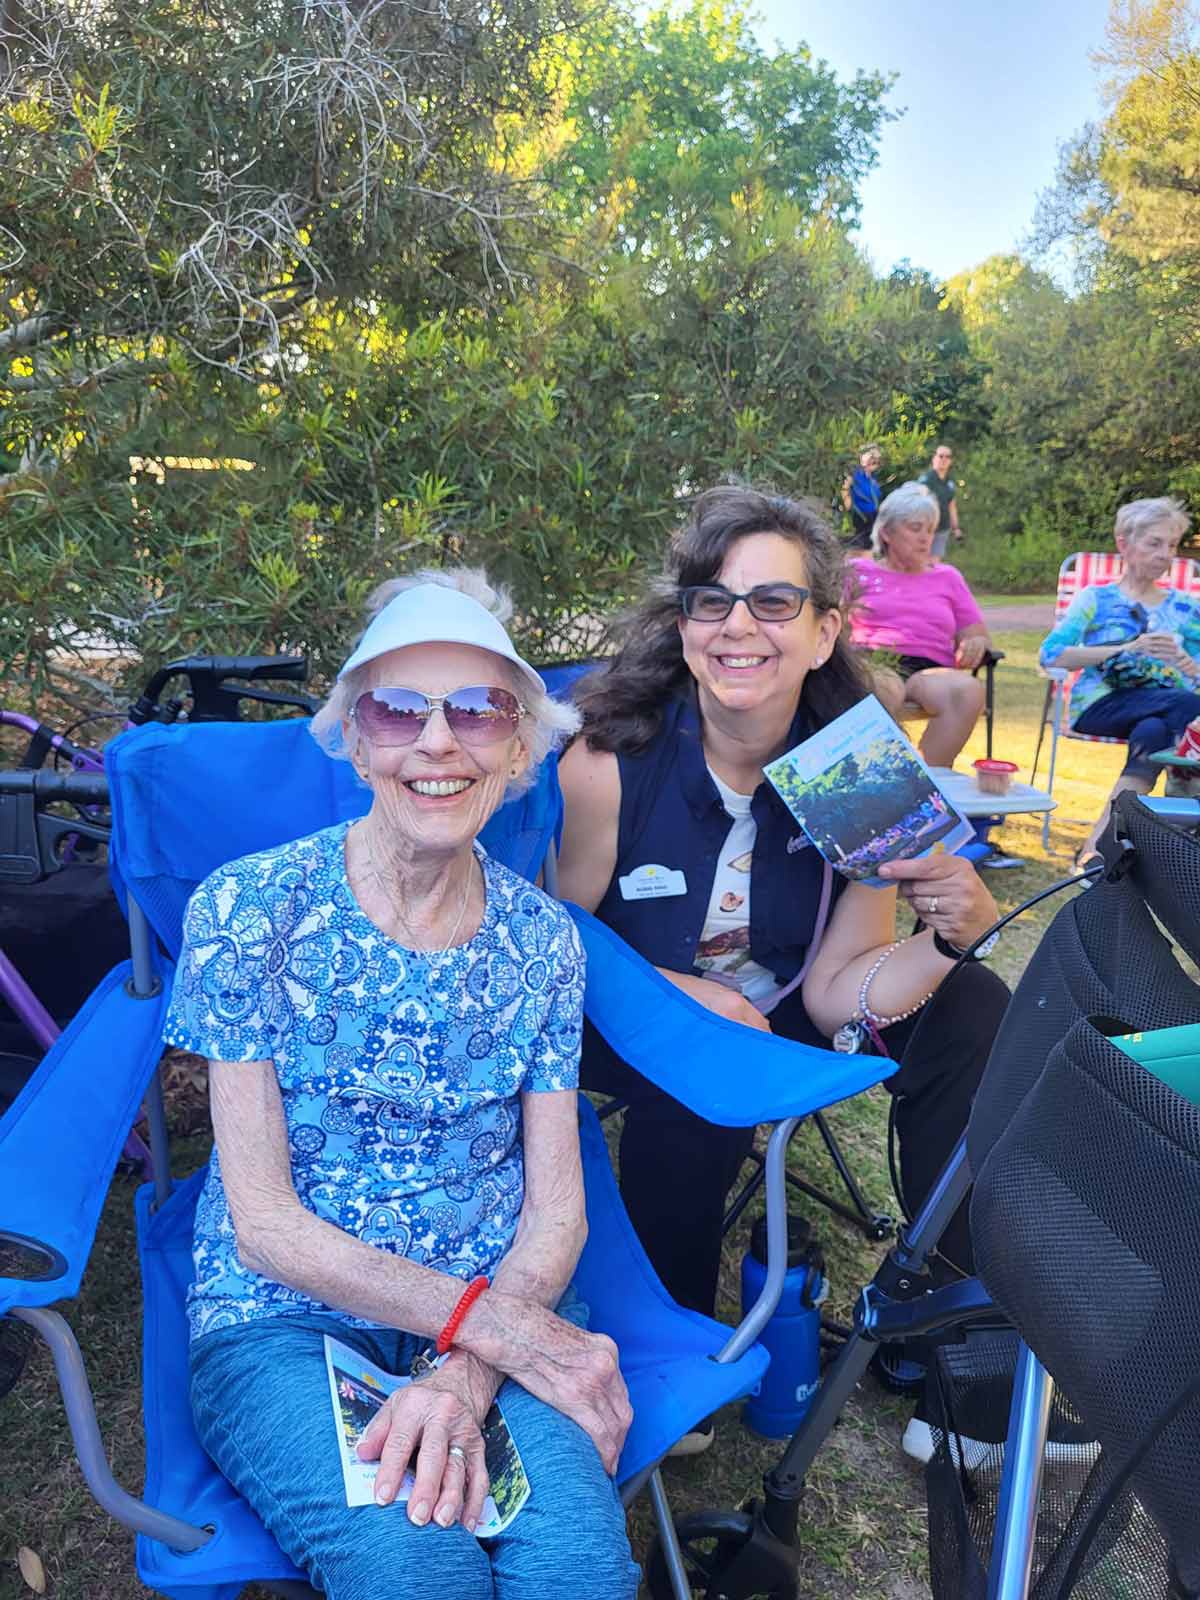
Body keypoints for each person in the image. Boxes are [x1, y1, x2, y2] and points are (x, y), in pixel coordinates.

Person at [165, 570, 639, 1600]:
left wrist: (468, 1368)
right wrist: (502, 1329)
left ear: (519, 749)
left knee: (581, 1572)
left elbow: (557, 1211)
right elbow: (265, 1227)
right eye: (397, 709)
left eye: (477, 710)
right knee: (415, 1569)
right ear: (355, 736)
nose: (438, 742)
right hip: (285, 1317)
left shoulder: (542, 940)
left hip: (497, 1317)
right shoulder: (248, 910)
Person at [556, 486, 1010, 1448]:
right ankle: (671, 1353)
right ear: (683, 629)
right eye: (712, 602)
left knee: (972, 1003)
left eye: (774, 603)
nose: (738, 628)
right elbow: (553, 944)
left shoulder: (859, 767)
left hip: (786, 1004)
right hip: (628, 1018)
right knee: (698, 1059)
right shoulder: (607, 762)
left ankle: (954, 1334)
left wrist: (942, 940)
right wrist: (677, 996)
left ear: (822, 629)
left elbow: (843, 985)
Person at [1039, 496, 1200, 866]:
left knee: (1154, 733)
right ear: (1124, 543)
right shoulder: (1097, 599)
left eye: (1172, 546)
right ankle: (1185, 825)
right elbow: (1051, 655)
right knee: (1187, 706)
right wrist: (1127, 647)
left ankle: (1096, 847)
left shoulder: (1186, 609)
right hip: (1100, 706)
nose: (1165, 555)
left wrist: (1190, 666)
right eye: (1154, 543)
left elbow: (1197, 673)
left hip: (1164, 712)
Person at [848, 482, 993, 768]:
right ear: (887, 532)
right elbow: (830, 623)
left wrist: (976, 644)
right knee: (883, 689)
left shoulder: (947, 577)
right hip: (873, 660)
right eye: (915, 528)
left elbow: (978, 635)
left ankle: (931, 779)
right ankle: (876, 775)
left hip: (930, 667)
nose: (925, 538)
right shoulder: (859, 572)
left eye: (930, 530)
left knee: (967, 690)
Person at [918, 443, 962, 559]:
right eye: (941, 456)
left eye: (947, 457)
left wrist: (956, 528)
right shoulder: (926, 480)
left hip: (943, 529)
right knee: (922, 561)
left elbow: (951, 506)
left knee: (935, 563)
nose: (944, 459)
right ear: (934, 459)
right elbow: (918, 504)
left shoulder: (950, 483)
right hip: (927, 529)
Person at [841, 443, 883, 549]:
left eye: (876, 461)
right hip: (861, 517)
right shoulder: (855, 475)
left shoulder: (872, 479)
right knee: (862, 546)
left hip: (874, 516)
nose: (874, 463)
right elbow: (844, 489)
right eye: (872, 459)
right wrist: (848, 505)